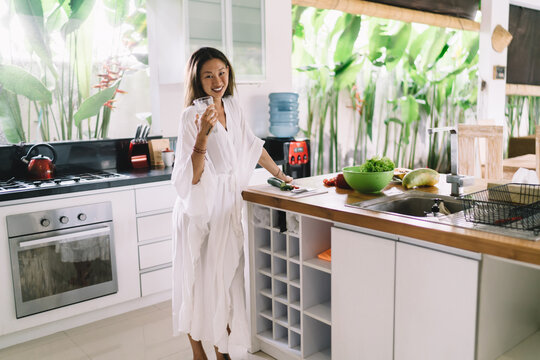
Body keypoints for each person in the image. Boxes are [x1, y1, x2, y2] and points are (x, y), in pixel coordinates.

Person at [171, 47, 293, 360]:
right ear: (197, 80)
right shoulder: (190, 117)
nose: (217, 80)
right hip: (199, 209)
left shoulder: (234, 107)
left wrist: (281, 174)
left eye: (222, 72)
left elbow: (253, 146)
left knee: (223, 281)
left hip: (227, 208)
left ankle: (221, 349)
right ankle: (200, 352)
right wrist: (202, 135)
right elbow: (190, 177)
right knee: (197, 282)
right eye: (208, 75)